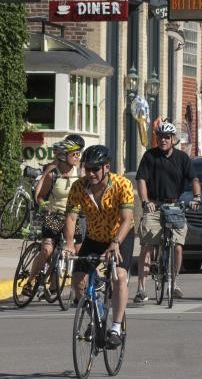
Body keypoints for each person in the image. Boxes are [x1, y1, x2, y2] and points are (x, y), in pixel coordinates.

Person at [62, 145, 134, 349]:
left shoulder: (122, 184)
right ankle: (98, 314)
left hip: (121, 236)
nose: (91, 173)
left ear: (106, 167)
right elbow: (71, 217)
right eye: (87, 169)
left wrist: (115, 243)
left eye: (95, 169)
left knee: (119, 277)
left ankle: (116, 328)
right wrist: (69, 244)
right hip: (94, 237)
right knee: (78, 281)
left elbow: (127, 219)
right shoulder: (78, 187)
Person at [134, 120, 201, 303]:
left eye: (167, 137)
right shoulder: (150, 156)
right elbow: (141, 180)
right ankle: (141, 288)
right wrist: (145, 201)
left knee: (177, 247)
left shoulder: (182, 158)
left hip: (174, 206)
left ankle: (174, 281)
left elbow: (194, 179)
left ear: (173, 139)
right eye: (160, 137)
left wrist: (196, 198)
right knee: (147, 246)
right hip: (154, 205)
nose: (163, 140)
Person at [22, 137, 82, 298]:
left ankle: (73, 290)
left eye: (79, 153)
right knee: (47, 250)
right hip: (53, 214)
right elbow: (40, 196)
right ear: (63, 156)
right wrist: (44, 207)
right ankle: (31, 280)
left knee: (79, 251)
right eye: (74, 154)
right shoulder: (53, 174)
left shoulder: (80, 173)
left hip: (72, 216)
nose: (78, 157)